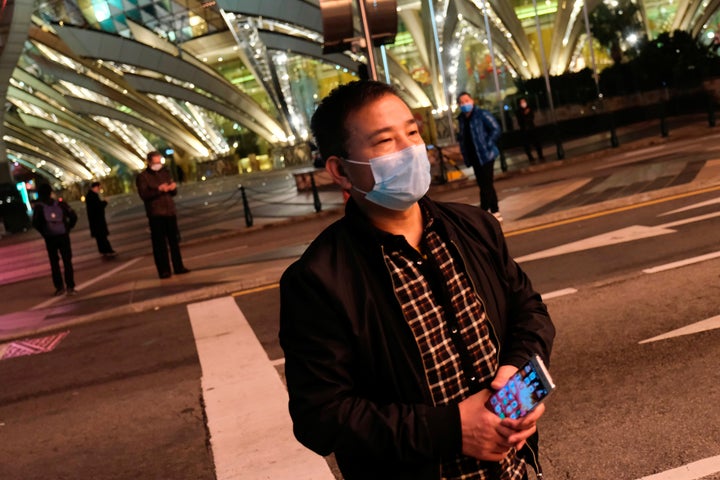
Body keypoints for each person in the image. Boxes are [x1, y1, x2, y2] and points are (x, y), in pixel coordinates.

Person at [279, 81, 555, 479]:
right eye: (385, 141)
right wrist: (450, 430)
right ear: (341, 170)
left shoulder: (474, 228)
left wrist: (517, 381)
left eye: (412, 132)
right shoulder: (318, 280)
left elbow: (529, 311)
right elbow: (321, 415)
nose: (409, 150)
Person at [136, 151, 190, 279]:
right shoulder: (143, 177)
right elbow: (144, 195)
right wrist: (158, 190)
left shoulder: (165, 172)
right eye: (156, 162)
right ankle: (164, 270)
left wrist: (172, 187)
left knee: (174, 241)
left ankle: (178, 267)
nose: (158, 164)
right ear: (149, 162)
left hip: (170, 211)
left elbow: (174, 192)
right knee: (159, 244)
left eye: (160, 161)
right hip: (156, 214)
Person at [456, 92, 503, 222]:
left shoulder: (481, 114)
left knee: (486, 184)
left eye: (467, 100)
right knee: (484, 184)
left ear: (472, 100)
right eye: (462, 102)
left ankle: (488, 211)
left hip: (486, 154)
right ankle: (491, 211)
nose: (465, 103)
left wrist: (487, 143)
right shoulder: (461, 119)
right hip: (474, 156)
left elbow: (496, 129)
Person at [32, 183, 78, 296]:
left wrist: (44, 232)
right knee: (67, 261)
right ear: (50, 192)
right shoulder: (61, 204)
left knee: (54, 263)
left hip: (50, 238)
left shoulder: (39, 207)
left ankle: (59, 287)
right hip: (63, 236)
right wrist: (67, 228)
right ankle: (70, 286)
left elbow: (35, 223)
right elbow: (74, 217)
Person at [85, 181, 117, 257]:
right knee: (102, 237)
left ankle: (103, 250)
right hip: (98, 221)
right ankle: (107, 250)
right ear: (96, 187)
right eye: (98, 188)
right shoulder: (93, 196)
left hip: (94, 221)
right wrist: (105, 202)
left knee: (99, 238)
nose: (99, 190)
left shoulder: (90, 196)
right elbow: (98, 207)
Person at [516, 98, 544, 164]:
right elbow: (520, 120)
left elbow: (531, 117)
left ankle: (540, 155)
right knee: (526, 145)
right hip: (524, 130)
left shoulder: (529, 108)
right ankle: (530, 157)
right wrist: (525, 114)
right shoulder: (519, 111)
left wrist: (527, 115)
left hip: (532, 128)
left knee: (537, 142)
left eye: (524, 101)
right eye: (522, 102)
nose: (523, 103)